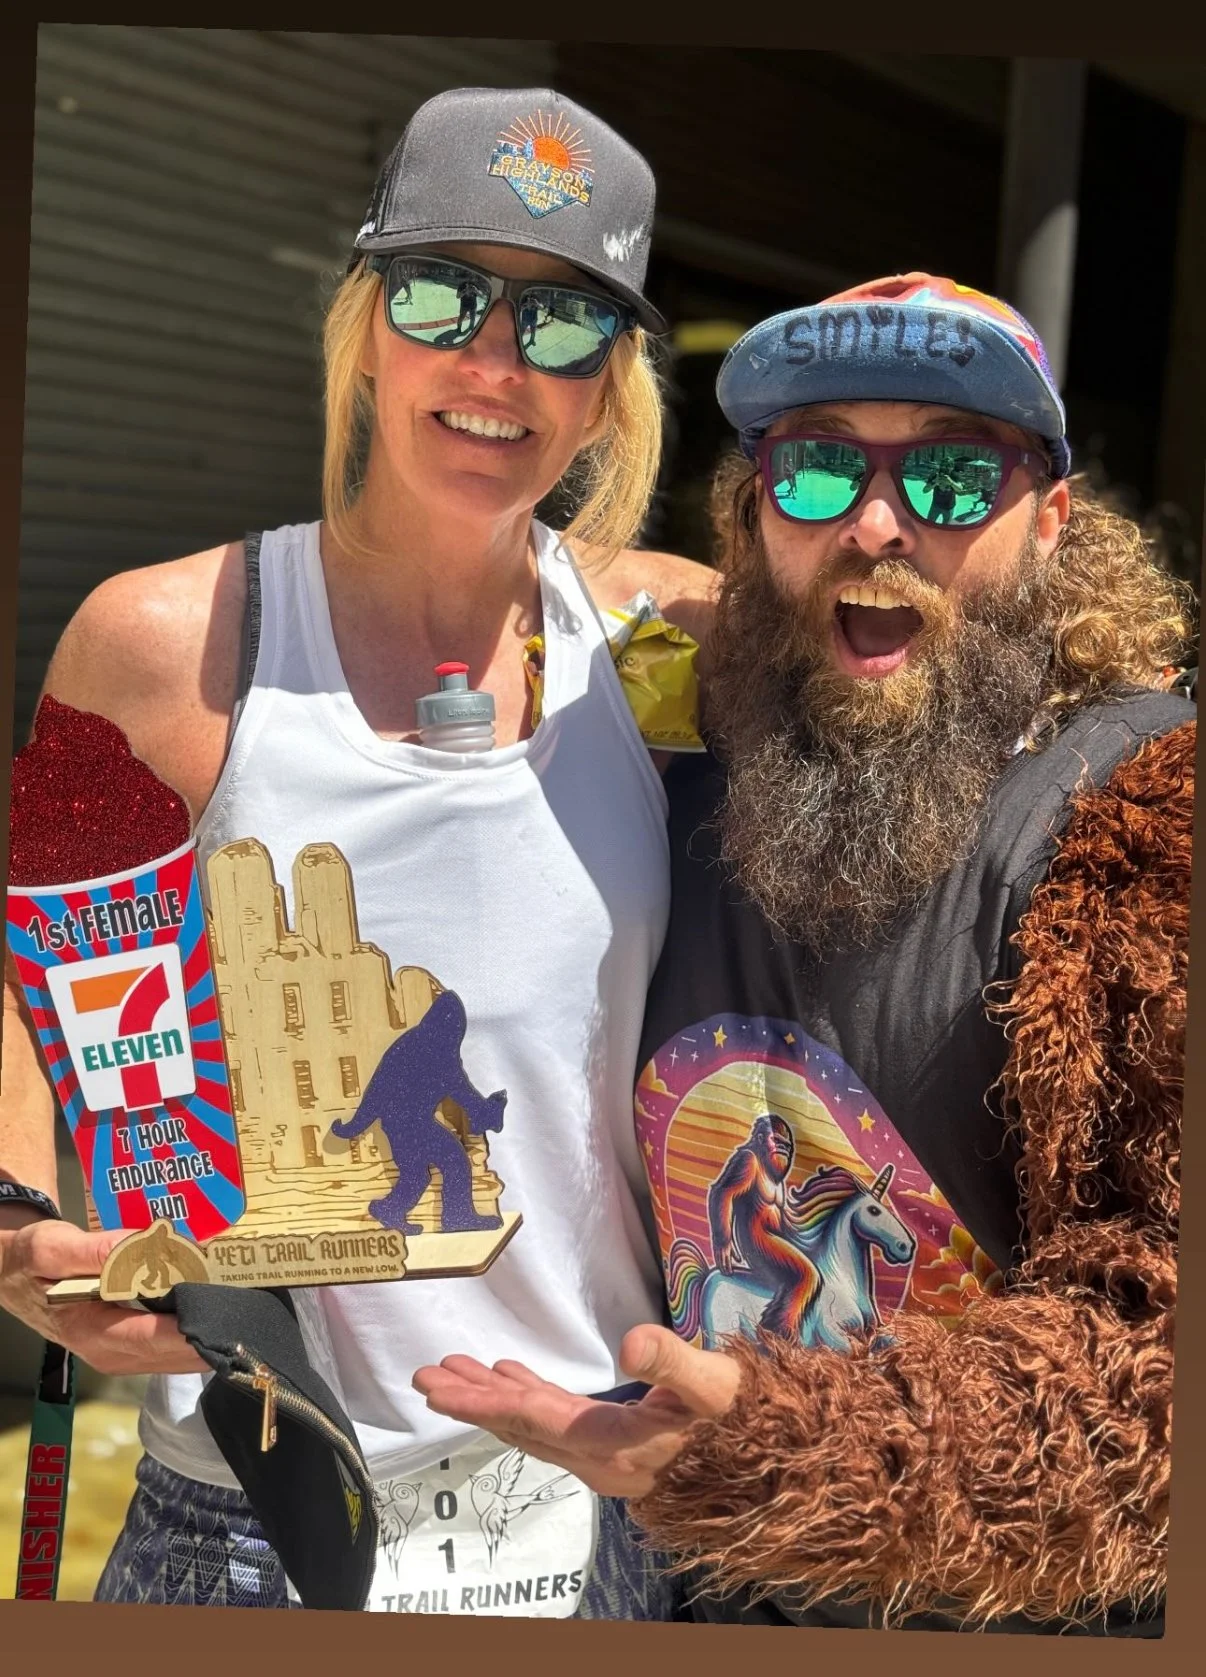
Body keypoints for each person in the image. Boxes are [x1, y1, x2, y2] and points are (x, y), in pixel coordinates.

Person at [0, 86, 716, 1616]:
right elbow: (26, 970)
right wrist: (14, 1224)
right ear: (364, 325)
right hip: (258, 1503)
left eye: (564, 325)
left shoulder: (669, 636)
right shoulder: (167, 640)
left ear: (612, 386)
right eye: (443, 294)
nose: (494, 363)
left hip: (600, 1498)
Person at [413, 273, 1194, 1634]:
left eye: (954, 480)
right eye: (818, 470)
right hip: (675, 1589)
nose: (877, 525)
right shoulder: (668, 785)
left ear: (1051, 524)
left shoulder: (1139, 825)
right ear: (750, 511)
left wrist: (796, 1456)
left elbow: (1155, 1351)